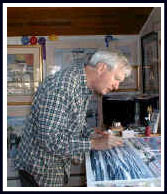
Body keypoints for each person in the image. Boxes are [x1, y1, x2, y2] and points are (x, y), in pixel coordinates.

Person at [14, 50, 132, 187]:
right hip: (39, 171)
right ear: (101, 68)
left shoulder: (83, 85)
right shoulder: (62, 87)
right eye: (116, 79)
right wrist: (94, 144)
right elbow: (50, 140)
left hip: (55, 167)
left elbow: (75, 122)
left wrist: (93, 135)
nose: (116, 86)